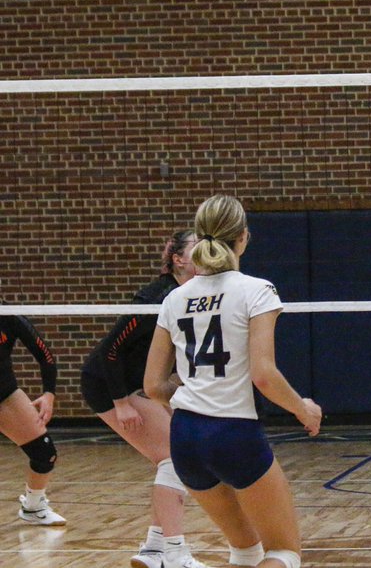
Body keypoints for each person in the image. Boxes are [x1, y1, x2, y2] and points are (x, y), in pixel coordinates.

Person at [145, 195, 323, 568]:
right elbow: (264, 375)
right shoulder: (256, 290)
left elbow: (153, 387)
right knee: (284, 551)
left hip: (185, 437)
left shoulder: (174, 299)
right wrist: (303, 409)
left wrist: (197, 396)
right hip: (233, 433)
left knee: (245, 550)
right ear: (243, 237)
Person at [80, 229, 209, 568]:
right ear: (178, 259)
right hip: (108, 384)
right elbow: (110, 351)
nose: (205, 251)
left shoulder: (191, 297)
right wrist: (121, 403)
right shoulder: (154, 299)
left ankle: (154, 549)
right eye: (196, 246)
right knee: (173, 459)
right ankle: (175, 553)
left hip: (141, 386)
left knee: (178, 456)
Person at [0, 308, 63, 525]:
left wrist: (49, 393)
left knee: (45, 454)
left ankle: (33, 507)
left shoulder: (9, 315)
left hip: (5, 395)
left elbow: (44, 355)